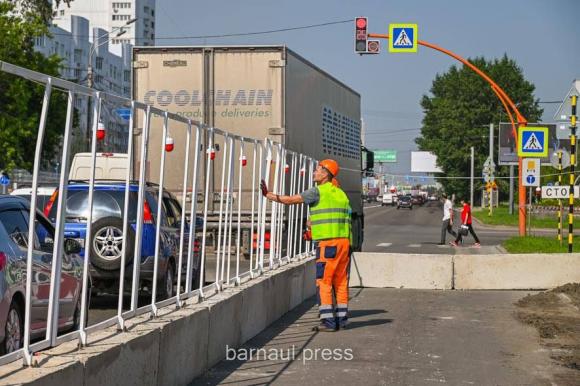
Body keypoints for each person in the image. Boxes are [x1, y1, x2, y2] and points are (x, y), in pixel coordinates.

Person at [260, 159, 351, 332]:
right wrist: (312, 227)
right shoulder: (341, 194)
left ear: (325, 174)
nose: (314, 172)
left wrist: (269, 195)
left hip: (328, 244)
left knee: (323, 282)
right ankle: (342, 320)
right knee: (340, 282)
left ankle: (328, 323)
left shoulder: (317, 191)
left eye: (317, 169)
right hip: (344, 243)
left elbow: (290, 200)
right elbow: (336, 217)